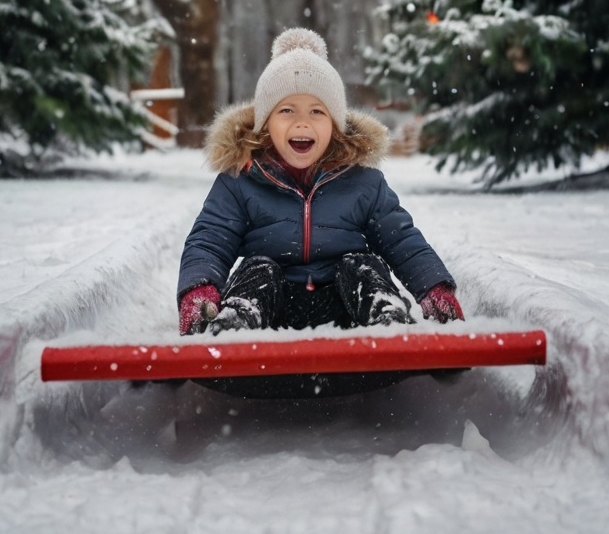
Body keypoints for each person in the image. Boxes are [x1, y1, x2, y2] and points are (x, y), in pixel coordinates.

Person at [177, 28, 463, 336]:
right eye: (286, 110)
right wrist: (199, 288)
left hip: (345, 307)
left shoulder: (364, 182)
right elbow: (210, 239)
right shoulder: (239, 181)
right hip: (272, 309)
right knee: (258, 269)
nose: (302, 122)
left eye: (317, 111)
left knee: (361, 266)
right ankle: (236, 324)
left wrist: (433, 286)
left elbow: (401, 239)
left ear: (335, 125)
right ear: (265, 123)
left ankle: (388, 320)